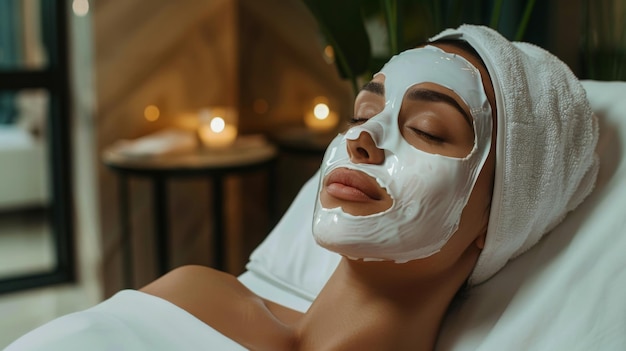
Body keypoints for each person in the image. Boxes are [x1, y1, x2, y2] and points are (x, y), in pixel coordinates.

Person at [6, 24, 598, 351]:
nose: (364, 140)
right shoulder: (193, 294)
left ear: (502, 216)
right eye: (363, 114)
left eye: (426, 130)